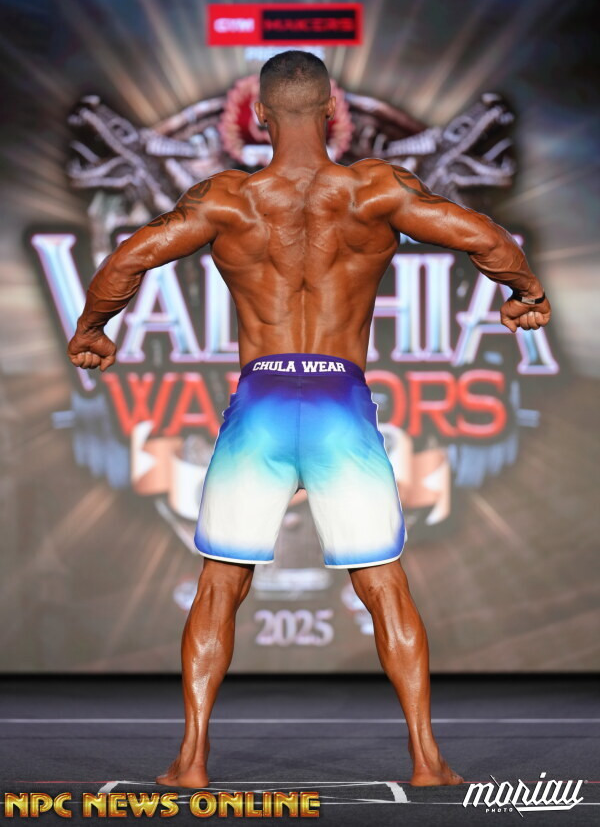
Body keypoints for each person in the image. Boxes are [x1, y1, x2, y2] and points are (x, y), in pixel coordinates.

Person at [67, 51, 551, 788]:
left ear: (259, 115)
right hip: (339, 409)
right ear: (331, 110)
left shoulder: (227, 200)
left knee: (219, 585)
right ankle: (427, 762)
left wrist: (93, 330)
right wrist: (525, 294)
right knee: (384, 586)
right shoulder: (375, 191)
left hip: (261, 406)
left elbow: (129, 259)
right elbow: (485, 238)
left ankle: (191, 762)